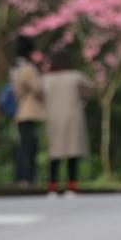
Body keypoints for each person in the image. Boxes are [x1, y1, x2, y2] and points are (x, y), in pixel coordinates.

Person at [41, 49, 94, 196]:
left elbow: (40, 96)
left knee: (55, 153)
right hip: (72, 116)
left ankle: (52, 187)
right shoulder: (75, 76)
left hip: (53, 117)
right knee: (72, 153)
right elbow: (90, 89)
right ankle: (72, 187)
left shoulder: (46, 79)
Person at [10, 35, 45, 186]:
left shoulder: (15, 68)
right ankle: (27, 178)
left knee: (23, 144)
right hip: (29, 110)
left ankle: (21, 177)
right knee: (28, 145)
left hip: (20, 110)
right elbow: (38, 89)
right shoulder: (28, 69)